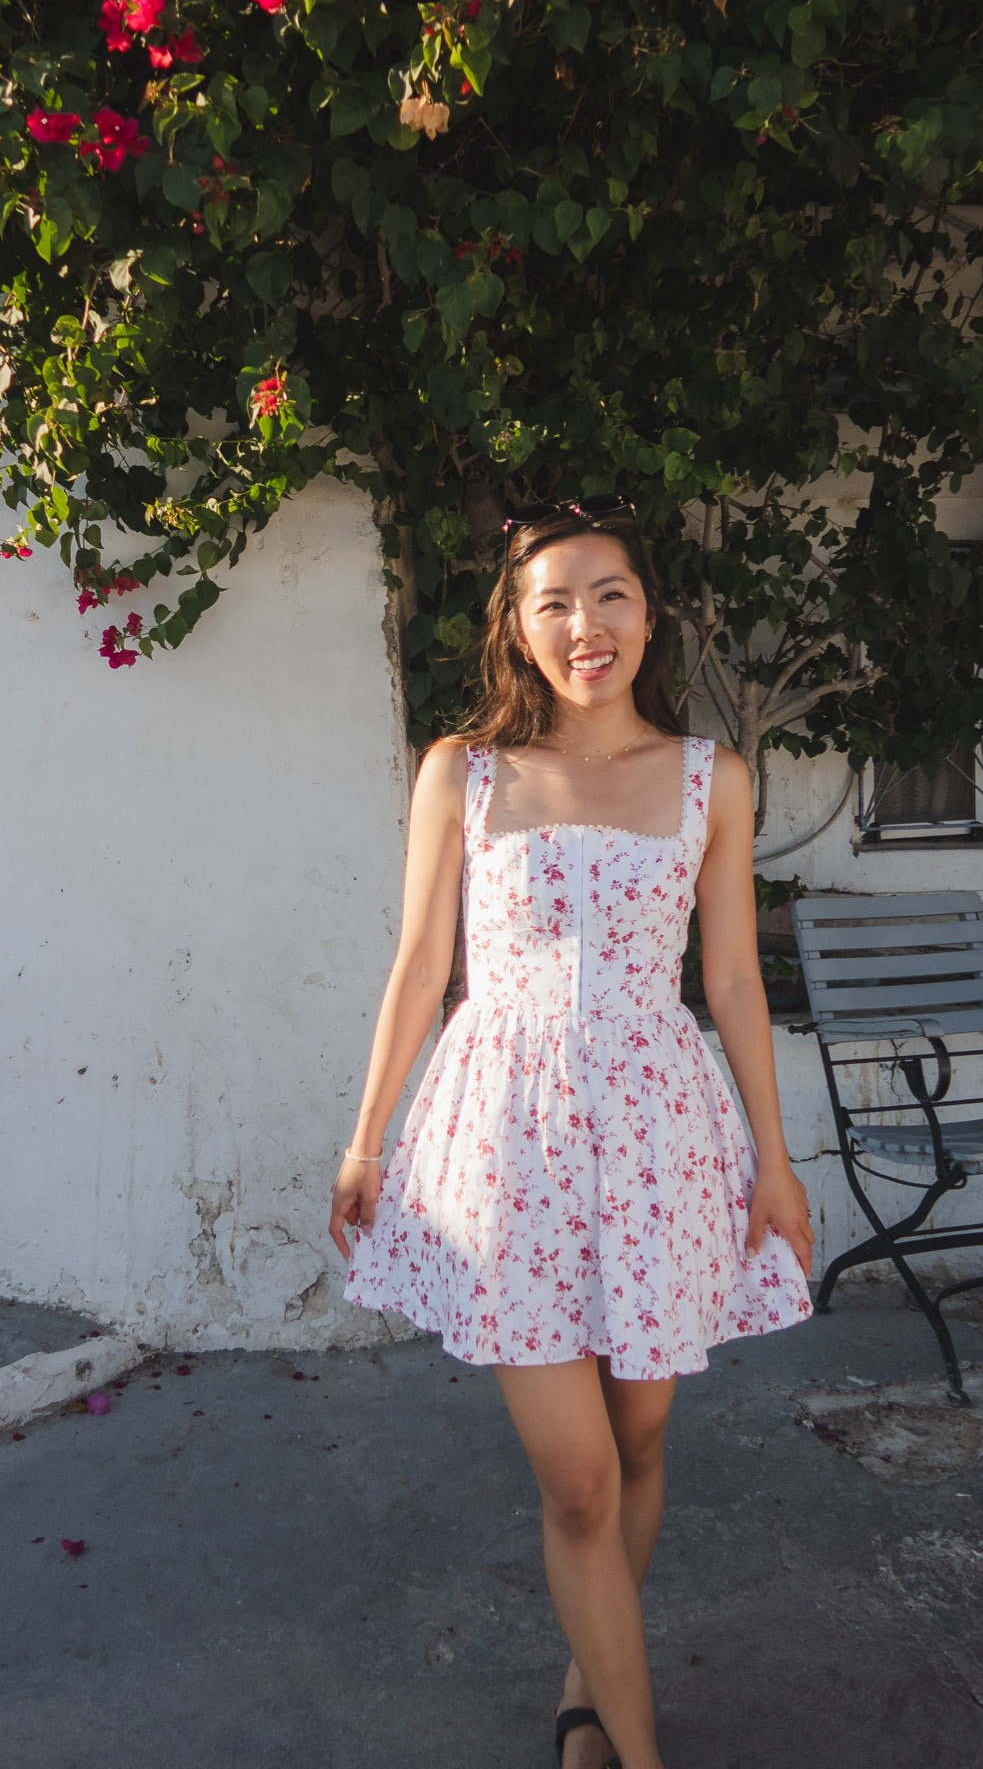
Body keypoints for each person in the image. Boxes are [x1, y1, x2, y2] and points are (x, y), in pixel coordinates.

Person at [328, 497, 814, 1769]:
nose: (584, 623)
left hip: (662, 1137)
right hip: (508, 1140)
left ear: (648, 615)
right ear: (517, 625)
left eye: (609, 595)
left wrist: (777, 1155)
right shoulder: (463, 772)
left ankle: (585, 1681)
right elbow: (420, 961)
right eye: (553, 600)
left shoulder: (712, 778)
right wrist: (366, 1136)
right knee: (580, 1478)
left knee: (642, 1438)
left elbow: (734, 981)